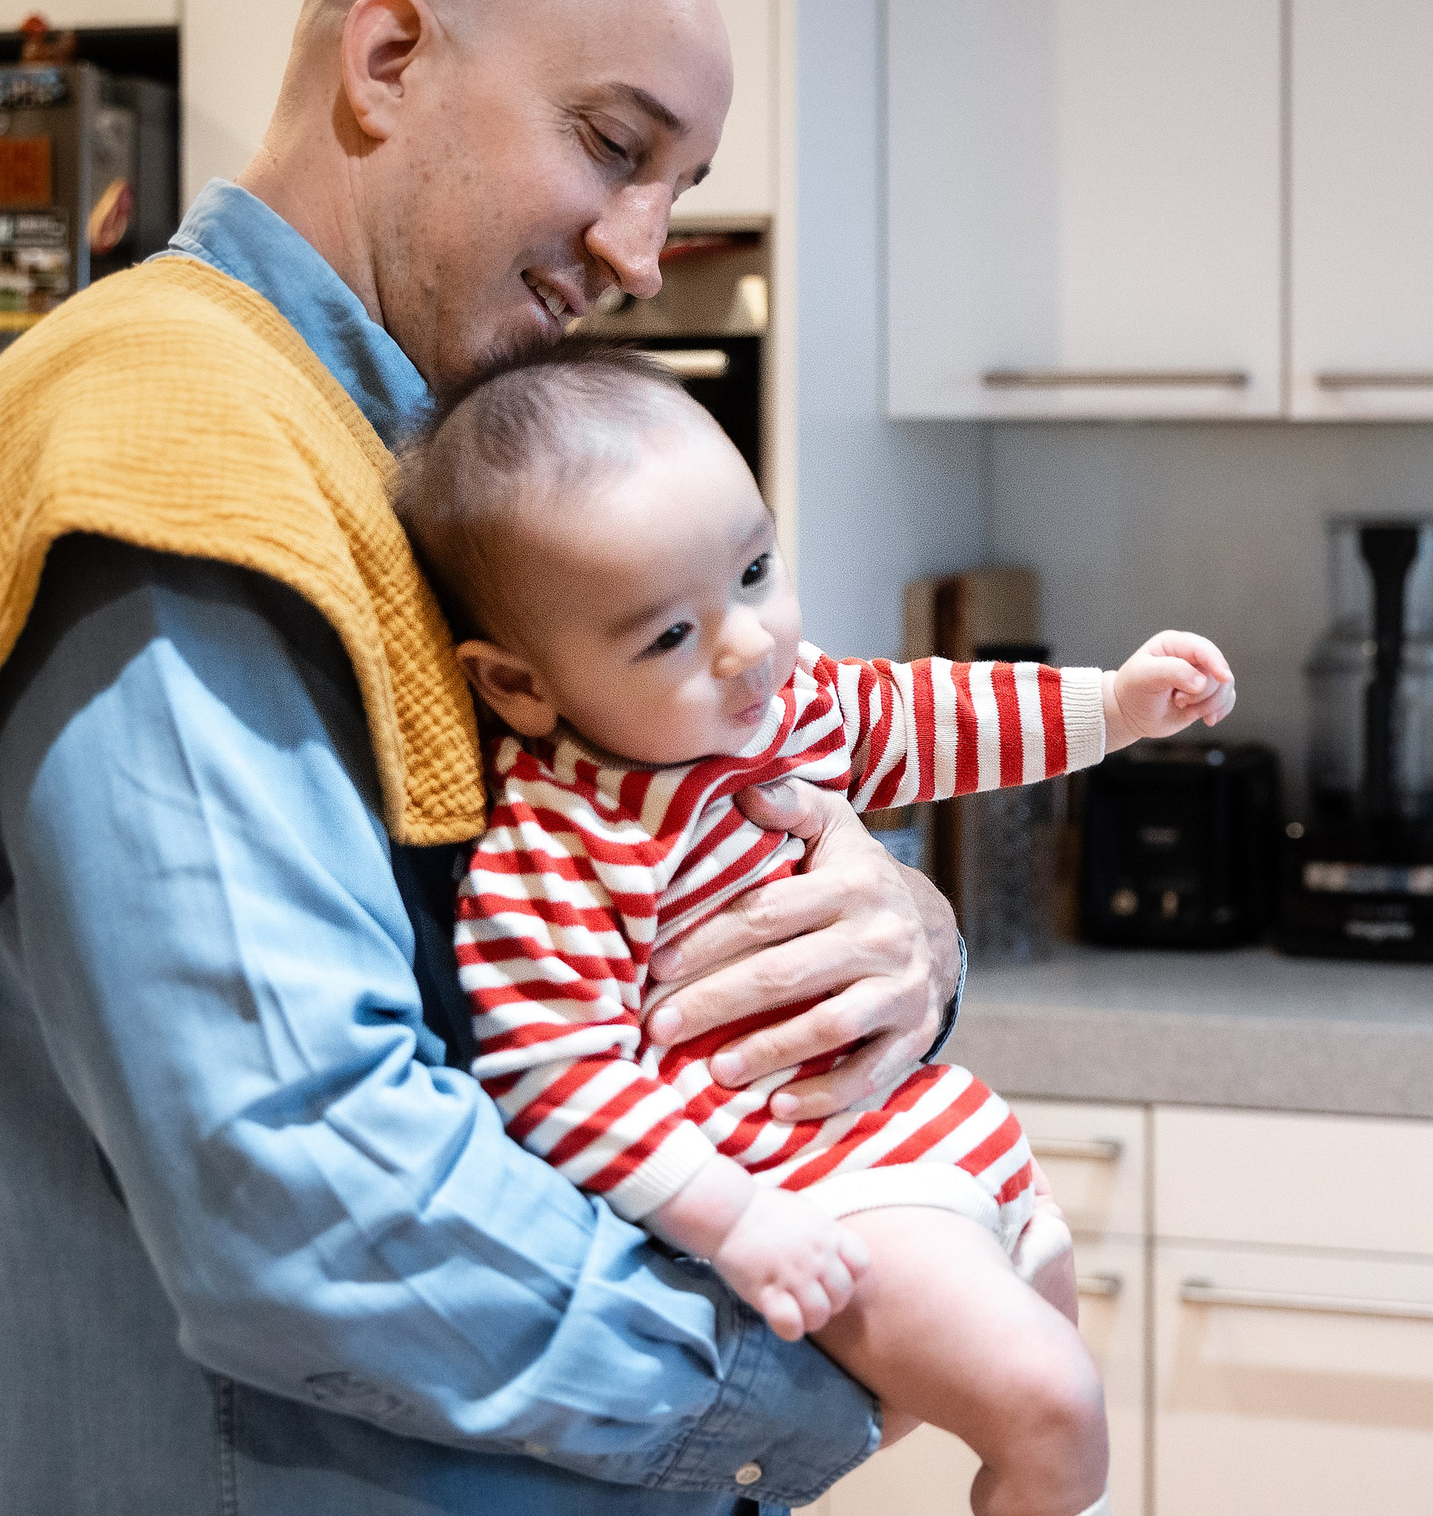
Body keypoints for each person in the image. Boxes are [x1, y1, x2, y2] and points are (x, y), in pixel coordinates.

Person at [0, 0, 972, 1515]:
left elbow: (644, 872)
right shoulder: (168, 441)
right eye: (614, 146)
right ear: (385, 59)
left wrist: (897, 938)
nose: (636, 252)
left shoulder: (418, 468)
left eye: (676, 191)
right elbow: (306, 1188)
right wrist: (800, 1386)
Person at [398, 344, 1237, 1516]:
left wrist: (1115, 706)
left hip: (924, 1147)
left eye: (753, 571)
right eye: (667, 637)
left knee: (1053, 1394)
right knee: (1057, 1414)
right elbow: (552, 1072)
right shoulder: (566, 837)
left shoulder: (781, 707)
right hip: (805, 1184)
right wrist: (734, 1221)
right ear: (517, 687)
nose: (746, 645)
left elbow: (931, 712)